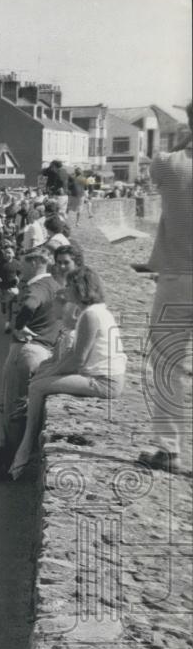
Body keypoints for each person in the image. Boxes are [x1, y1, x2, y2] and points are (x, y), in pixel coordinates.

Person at [8, 267, 127, 478]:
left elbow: (78, 361)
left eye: (70, 285)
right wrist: (48, 372)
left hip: (104, 382)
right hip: (101, 377)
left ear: (81, 288)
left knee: (36, 387)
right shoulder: (95, 311)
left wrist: (47, 376)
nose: (66, 289)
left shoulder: (90, 315)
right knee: (39, 382)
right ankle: (27, 448)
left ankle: (25, 448)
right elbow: (72, 355)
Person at [135, 101, 193, 473]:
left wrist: (184, 136)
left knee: (167, 364)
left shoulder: (169, 165)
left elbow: (156, 165)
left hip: (177, 279)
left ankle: (170, 450)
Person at [0, 248, 62, 481]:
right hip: (45, 351)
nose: (19, 267)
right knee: (13, 408)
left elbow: (29, 305)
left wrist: (19, 326)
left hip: (25, 350)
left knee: (7, 409)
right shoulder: (55, 285)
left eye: (24, 263)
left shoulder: (37, 287)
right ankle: (2, 460)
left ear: (36, 263)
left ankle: (4, 464)